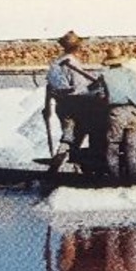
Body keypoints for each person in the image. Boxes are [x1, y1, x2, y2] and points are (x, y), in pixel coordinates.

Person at [93, 58, 136, 185]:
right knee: (131, 147)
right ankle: (133, 178)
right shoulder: (131, 73)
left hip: (117, 112)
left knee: (113, 146)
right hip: (133, 112)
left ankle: (114, 178)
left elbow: (100, 96)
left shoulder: (105, 75)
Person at [45, 30, 90, 172]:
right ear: (77, 47)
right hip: (75, 104)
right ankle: (58, 164)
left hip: (61, 104)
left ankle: (75, 166)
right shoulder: (72, 62)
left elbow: (50, 86)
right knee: (74, 135)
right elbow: (80, 88)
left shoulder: (56, 63)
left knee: (70, 133)